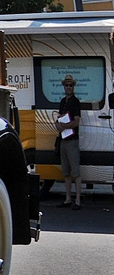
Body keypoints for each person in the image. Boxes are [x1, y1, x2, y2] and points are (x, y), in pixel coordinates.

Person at [57, 74, 82, 210]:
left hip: (72, 140)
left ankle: (77, 200)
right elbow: (59, 118)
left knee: (76, 172)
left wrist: (65, 126)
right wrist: (58, 125)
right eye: (66, 85)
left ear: (73, 87)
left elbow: (76, 121)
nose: (68, 87)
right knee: (66, 172)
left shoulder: (75, 102)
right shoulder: (62, 101)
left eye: (70, 85)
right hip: (63, 140)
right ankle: (68, 198)